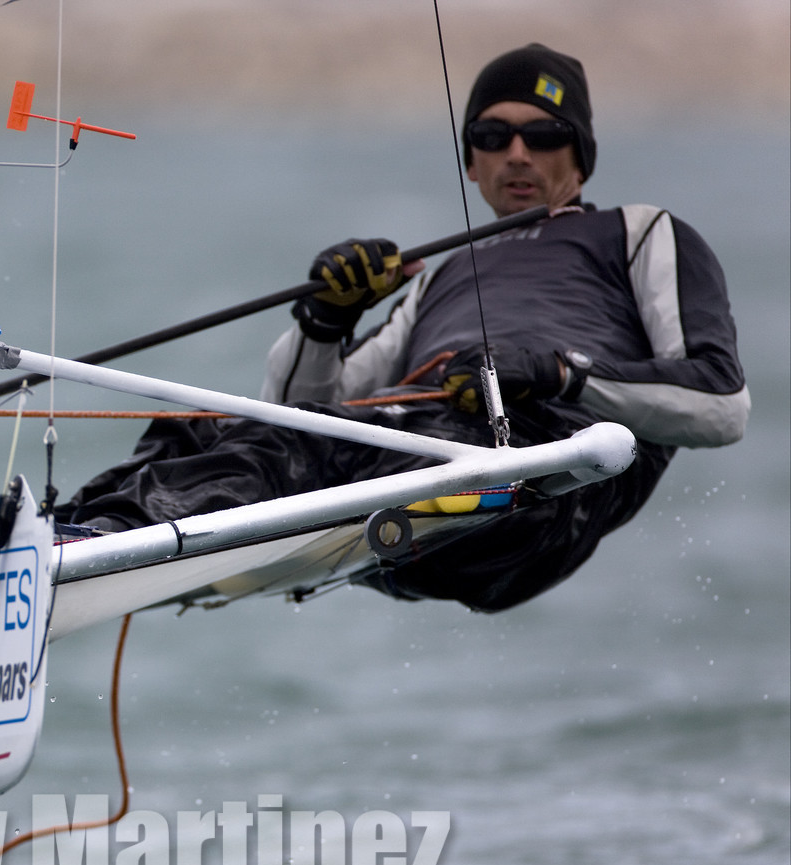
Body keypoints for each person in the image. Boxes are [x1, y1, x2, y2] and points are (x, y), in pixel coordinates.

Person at [54, 43, 748, 611]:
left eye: (542, 135)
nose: (516, 153)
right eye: (492, 136)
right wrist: (326, 320)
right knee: (204, 432)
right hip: (415, 466)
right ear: (471, 160)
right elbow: (298, 414)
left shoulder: (641, 232)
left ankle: (409, 502)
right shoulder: (444, 276)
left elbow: (722, 405)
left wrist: (560, 373)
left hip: (541, 482)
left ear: (580, 154)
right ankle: (68, 541)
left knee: (359, 450)